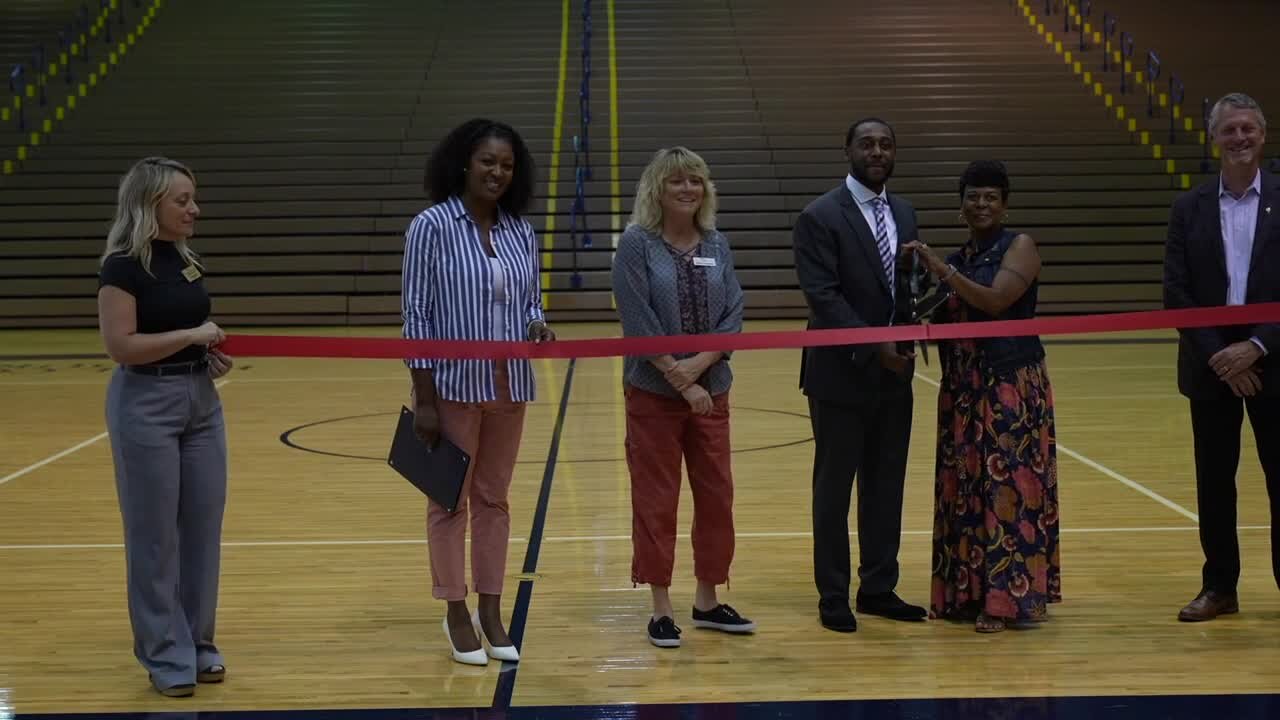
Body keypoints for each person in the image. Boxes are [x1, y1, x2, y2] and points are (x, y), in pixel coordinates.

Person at [401, 118, 555, 665]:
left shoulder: (521, 231)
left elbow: (532, 301)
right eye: (488, 161)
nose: (497, 172)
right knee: (449, 500)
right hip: (451, 388)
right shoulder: (431, 227)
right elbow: (416, 314)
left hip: (508, 385)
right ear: (464, 162)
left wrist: (538, 324)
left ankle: (492, 609)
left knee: (495, 499)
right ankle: (455, 610)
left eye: (508, 165)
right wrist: (423, 396)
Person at [904, 160, 1062, 633]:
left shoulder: (1020, 247)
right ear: (961, 205)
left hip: (1009, 384)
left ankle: (1006, 600)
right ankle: (968, 594)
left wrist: (940, 270)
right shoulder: (959, 258)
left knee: (1007, 490)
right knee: (966, 490)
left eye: (991, 197)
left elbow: (995, 301)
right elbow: (939, 316)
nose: (981, 204)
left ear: (1005, 204)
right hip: (963, 389)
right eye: (973, 196)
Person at [97, 157, 234, 697]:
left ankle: (199, 642)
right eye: (182, 200)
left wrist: (208, 355)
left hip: (200, 401)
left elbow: (194, 332)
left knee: (201, 531)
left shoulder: (183, 259)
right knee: (154, 538)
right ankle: (163, 652)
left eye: (192, 198)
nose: (193, 209)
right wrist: (192, 337)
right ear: (148, 204)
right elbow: (121, 347)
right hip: (145, 405)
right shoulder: (121, 268)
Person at [611, 146, 754, 649]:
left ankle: (708, 600)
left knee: (717, 494)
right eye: (677, 182)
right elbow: (637, 317)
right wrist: (680, 377)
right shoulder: (636, 244)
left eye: (696, 181)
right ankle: (660, 606)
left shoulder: (717, 242)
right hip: (653, 394)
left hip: (712, 393)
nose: (688, 190)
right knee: (656, 498)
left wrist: (703, 367)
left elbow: (733, 310)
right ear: (657, 189)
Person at [792, 118, 927, 633]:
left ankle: (877, 588)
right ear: (847, 149)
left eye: (886, 144)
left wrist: (914, 328)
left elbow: (904, 289)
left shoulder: (906, 212)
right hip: (841, 373)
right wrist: (877, 346)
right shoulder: (820, 216)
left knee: (886, 483)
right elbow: (823, 297)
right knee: (834, 489)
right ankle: (833, 595)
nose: (877, 151)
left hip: (896, 375)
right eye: (867, 143)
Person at [1163, 92, 1279, 622]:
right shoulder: (1188, 208)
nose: (1239, 139)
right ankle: (1220, 587)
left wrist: (1255, 347)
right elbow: (1178, 294)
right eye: (1229, 130)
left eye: (1247, 129)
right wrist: (1221, 358)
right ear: (1214, 139)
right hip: (1211, 364)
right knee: (1214, 481)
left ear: (1262, 135)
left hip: (1272, 358)